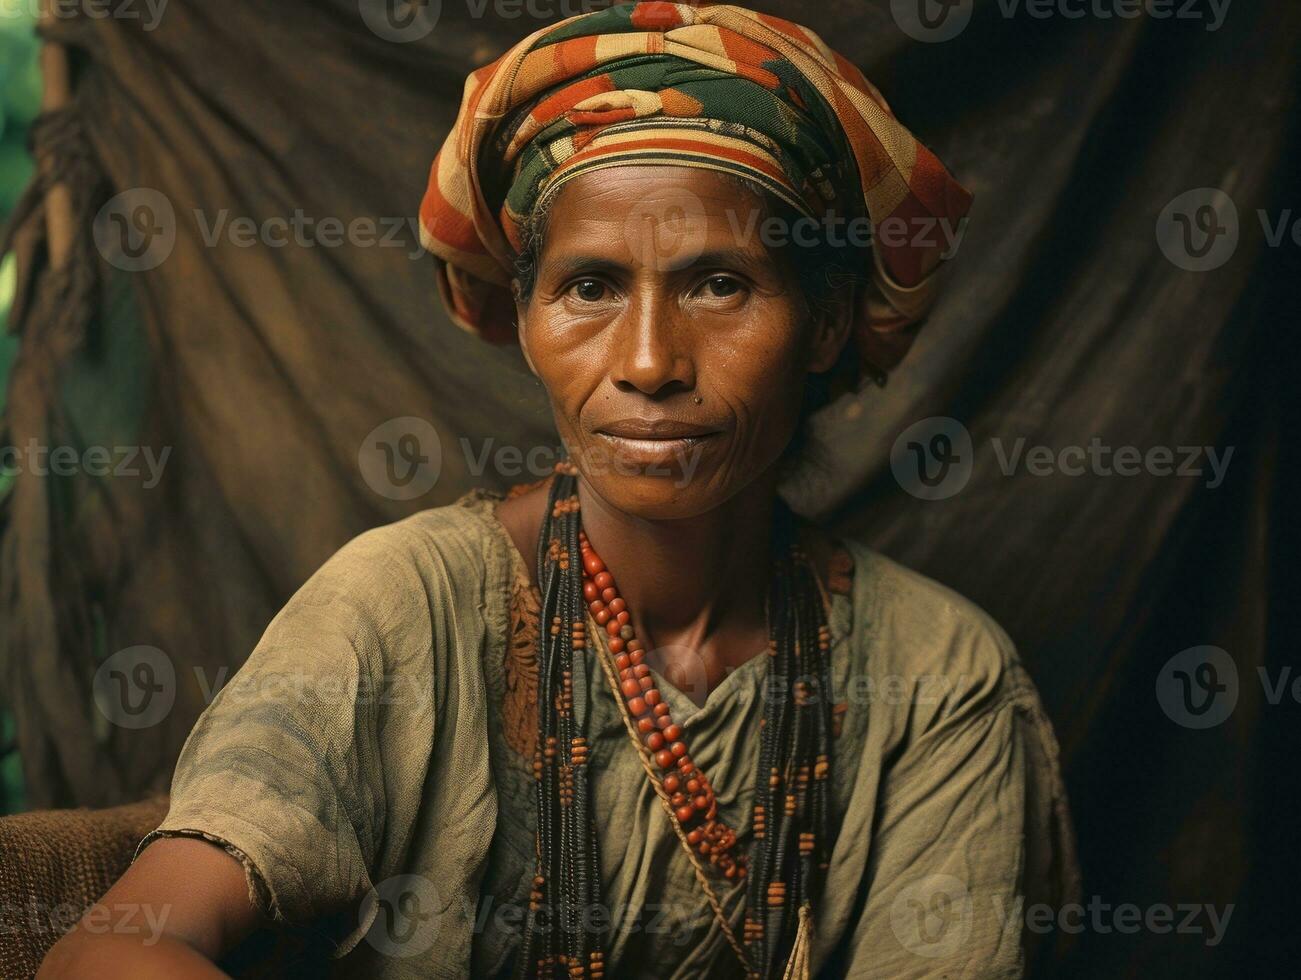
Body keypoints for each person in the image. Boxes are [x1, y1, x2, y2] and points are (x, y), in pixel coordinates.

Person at [40, 3, 1077, 977]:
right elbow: (110, 951)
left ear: (823, 320)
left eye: (719, 283)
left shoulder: (938, 682)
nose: (647, 360)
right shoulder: (407, 607)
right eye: (588, 285)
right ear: (525, 316)